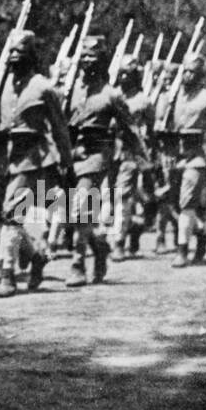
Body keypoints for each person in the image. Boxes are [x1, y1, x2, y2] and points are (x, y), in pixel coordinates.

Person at [0, 31, 72, 297]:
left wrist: (66, 163)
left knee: (13, 213)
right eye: (11, 54)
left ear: (31, 57)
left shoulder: (43, 87)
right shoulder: (2, 85)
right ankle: (35, 256)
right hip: (5, 159)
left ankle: (8, 273)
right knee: (5, 214)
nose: (14, 59)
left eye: (20, 55)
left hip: (32, 159)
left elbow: (59, 129)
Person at [64, 37, 146, 284]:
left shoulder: (111, 95)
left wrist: (146, 162)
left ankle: (78, 264)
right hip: (70, 153)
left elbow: (130, 129)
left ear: (102, 62)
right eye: (84, 56)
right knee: (68, 211)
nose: (87, 61)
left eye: (93, 57)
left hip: (97, 154)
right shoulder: (70, 90)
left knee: (80, 206)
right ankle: (99, 246)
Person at [151, 54, 206, 268]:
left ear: (201, 76)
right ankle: (201, 231)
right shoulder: (171, 96)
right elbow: (159, 122)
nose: (188, 75)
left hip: (196, 157)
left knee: (187, 203)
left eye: (193, 72)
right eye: (186, 71)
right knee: (173, 205)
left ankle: (182, 251)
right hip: (173, 156)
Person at [112, 59, 154, 260]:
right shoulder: (112, 97)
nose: (123, 78)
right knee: (106, 199)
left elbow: (150, 131)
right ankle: (134, 225)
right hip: (109, 153)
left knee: (122, 197)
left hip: (131, 154)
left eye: (127, 74)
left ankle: (118, 242)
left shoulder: (143, 101)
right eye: (120, 74)